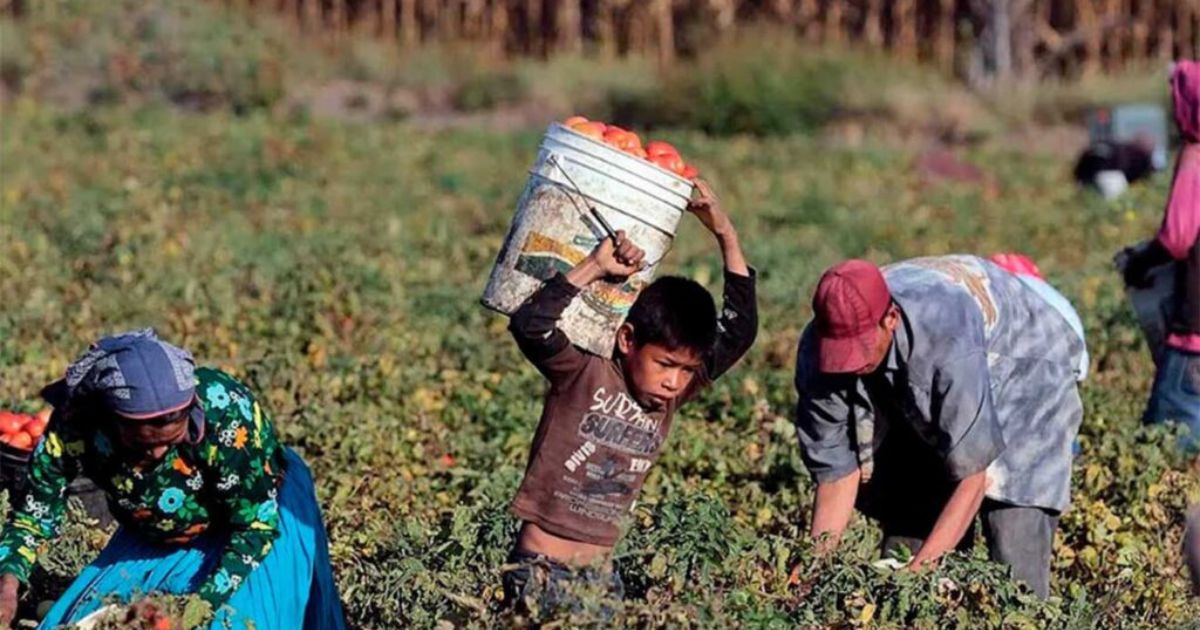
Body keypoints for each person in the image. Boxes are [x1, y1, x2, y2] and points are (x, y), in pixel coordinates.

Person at [502, 180, 756, 616]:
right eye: (665, 364)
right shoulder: (583, 373)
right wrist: (595, 266)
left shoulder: (668, 399)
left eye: (687, 370)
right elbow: (530, 325)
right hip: (542, 571)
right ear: (627, 339)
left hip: (603, 580)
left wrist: (725, 233)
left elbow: (739, 330)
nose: (675, 382)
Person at [0, 330, 345, 629]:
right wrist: (8, 581)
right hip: (156, 528)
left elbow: (255, 527)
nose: (158, 454)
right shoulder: (76, 427)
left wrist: (197, 610)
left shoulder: (226, 415)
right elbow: (34, 515)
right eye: (143, 444)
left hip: (253, 522)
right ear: (111, 419)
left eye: (172, 440)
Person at [793, 255, 1088, 598]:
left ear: (890, 319)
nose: (849, 363)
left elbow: (973, 477)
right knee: (912, 525)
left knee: (1012, 537)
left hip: (1027, 364)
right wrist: (813, 566)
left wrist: (920, 573)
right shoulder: (819, 351)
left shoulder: (945, 337)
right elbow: (836, 476)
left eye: (859, 348)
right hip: (940, 365)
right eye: (840, 352)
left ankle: (1023, 610)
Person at [1120, 60, 1200, 444]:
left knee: (1167, 445)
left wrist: (1140, 263)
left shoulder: (1196, 154)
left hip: (1194, 337)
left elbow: (1177, 238)